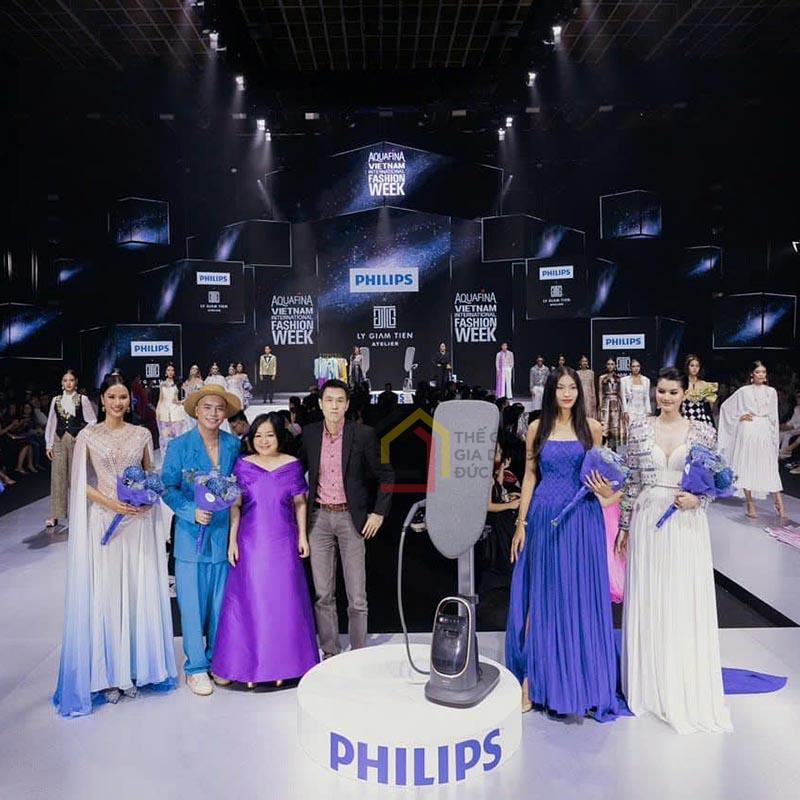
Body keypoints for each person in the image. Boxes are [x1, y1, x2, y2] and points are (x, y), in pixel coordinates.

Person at [53, 373, 177, 717]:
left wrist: (147, 498)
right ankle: (107, 674)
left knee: (136, 591)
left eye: (123, 397)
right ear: (102, 400)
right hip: (105, 521)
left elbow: (150, 474)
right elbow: (79, 483)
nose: (118, 403)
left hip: (137, 523)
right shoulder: (88, 435)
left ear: (129, 400)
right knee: (107, 594)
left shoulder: (142, 434)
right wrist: (111, 503)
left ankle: (133, 669)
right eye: (112, 397)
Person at [617, 368, 732, 734]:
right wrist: (623, 526)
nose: (665, 398)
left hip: (686, 523)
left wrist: (698, 500)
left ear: (684, 394)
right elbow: (632, 481)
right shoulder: (639, 429)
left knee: (681, 596)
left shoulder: (703, 432)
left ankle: (680, 679)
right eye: (661, 391)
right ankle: (649, 684)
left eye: (672, 392)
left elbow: (717, 483)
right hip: (648, 519)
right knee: (650, 595)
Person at [506, 367, 619, 720]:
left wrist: (607, 492)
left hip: (582, 520)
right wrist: (521, 523)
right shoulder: (537, 428)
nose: (567, 393)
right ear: (551, 391)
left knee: (579, 598)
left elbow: (605, 479)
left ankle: (582, 684)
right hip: (543, 517)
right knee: (541, 598)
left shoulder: (593, 428)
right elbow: (529, 477)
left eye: (573, 387)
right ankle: (532, 682)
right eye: (561, 387)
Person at [211, 413, 318, 687]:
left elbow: (300, 503)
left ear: (279, 437)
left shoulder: (292, 465)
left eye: (269, 435)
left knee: (284, 602)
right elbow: (235, 506)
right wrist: (232, 541)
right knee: (252, 602)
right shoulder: (243, 465)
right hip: (251, 543)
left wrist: (302, 536)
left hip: (283, 541)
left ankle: (283, 666)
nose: (263, 440)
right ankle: (250, 669)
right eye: (258, 436)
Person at [298, 379, 395, 657]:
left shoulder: (363, 434)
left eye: (340, 400)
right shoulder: (309, 434)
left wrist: (379, 512)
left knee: (357, 597)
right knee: (323, 594)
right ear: (320, 404)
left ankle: (359, 654)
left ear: (347, 404)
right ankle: (330, 651)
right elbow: (295, 473)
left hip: (351, 519)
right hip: (318, 519)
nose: (334, 406)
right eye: (329, 400)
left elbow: (386, 475)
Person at [162, 383, 242, 696]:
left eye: (219, 408)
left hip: (223, 537)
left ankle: (217, 660)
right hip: (190, 537)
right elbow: (167, 487)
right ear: (196, 410)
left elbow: (239, 488)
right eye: (207, 407)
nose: (213, 413)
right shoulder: (179, 446)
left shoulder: (233, 445)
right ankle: (195, 667)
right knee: (192, 606)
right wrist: (190, 511)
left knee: (220, 604)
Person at [718, 360, 785, 521]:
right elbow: (726, 407)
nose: (761, 375)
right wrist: (739, 416)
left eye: (763, 372)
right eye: (758, 372)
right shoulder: (744, 391)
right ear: (751, 375)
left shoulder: (772, 392)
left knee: (768, 465)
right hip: (748, 429)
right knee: (746, 464)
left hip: (764, 429)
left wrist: (774, 436)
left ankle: (779, 503)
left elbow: (774, 416)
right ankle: (750, 504)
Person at [44, 370, 97, 528]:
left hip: (75, 441)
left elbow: (92, 420)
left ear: (76, 382)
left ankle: (78, 512)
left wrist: (81, 433)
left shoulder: (82, 399)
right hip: (59, 439)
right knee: (58, 477)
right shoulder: (56, 400)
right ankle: (56, 514)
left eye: (71, 380)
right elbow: (52, 422)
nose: (68, 383)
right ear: (62, 382)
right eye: (65, 380)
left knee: (76, 477)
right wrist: (48, 444)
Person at [155, 363, 188, 455]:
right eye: (168, 370)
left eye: (172, 370)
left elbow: (185, 395)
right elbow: (160, 399)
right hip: (164, 411)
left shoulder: (177, 384)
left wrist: (182, 401)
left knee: (178, 435)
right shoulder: (162, 384)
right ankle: (166, 457)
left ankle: (178, 456)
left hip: (176, 411)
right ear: (165, 372)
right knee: (164, 437)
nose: (170, 372)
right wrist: (157, 411)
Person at [681, 354, 718, 427]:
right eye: (692, 365)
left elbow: (710, 406)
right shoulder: (681, 383)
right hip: (685, 417)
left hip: (701, 418)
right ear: (687, 367)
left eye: (697, 366)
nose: (694, 368)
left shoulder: (705, 385)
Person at [620, 359, 652, 438]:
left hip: (642, 411)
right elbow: (623, 397)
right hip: (631, 410)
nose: (636, 368)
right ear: (630, 368)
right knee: (631, 433)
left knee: (642, 433)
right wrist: (625, 411)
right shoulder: (624, 380)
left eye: (637, 366)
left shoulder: (646, 380)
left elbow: (647, 397)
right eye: (633, 366)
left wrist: (648, 411)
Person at [599, 358, 622, 450]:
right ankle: (604, 448)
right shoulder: (602, 377)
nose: (610, 366)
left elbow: (620, 393)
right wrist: (600, 405)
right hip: (606, 401)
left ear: (615, 366)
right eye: (608, 364)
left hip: (616, 402)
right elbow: (600, 392)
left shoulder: (618, 378)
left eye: (612, 364)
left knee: (615, 424)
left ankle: (614, 449)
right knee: (605, 424)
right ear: (606, 365)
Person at [576, 355, 597, 420]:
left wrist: (594, 399)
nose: (584, 363)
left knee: (589, 413)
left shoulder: (591, 373)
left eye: (586, 361)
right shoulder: (577, 373)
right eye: (583, 361)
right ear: (580, 362)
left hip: (589, 397)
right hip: (580, 395)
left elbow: (592, 386)